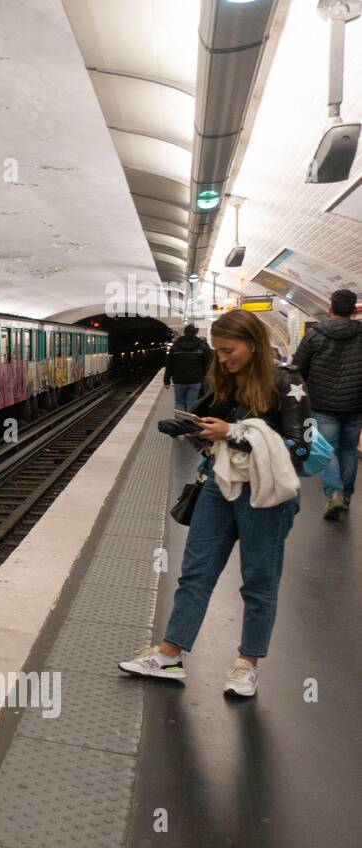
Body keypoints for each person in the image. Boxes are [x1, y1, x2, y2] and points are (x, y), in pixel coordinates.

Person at [120, 310, 312, 698]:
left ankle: (246, 664)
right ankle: (170, 653)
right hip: (219, 487)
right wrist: (189, 428)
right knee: (196, 571)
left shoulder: (286, 382)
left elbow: (299, 448)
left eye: (229, 350)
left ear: (253, 344)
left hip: (265, 495)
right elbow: (209, 422)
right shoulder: (225, 381)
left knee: (259, 581)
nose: (223, 359)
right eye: (219, 352)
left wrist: (233, 434)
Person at [292, 288, 362, 519]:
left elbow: (297, 367)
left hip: (322, 403)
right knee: (349, 449)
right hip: (355, 402)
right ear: (354, 310)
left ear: (330, 309)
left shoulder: (315, 334)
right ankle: (347, 494)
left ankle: (334, 492)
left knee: (326, 448)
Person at [163, 323, 211, 412]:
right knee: (192, 403)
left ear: (184, 333)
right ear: (196, 333)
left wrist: (166, 381)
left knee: (179, 402)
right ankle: (188, 424)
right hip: (195, 380)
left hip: (179, 380)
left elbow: (169, 364)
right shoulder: (201, 346)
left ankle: (178, 424)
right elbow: (209, 363)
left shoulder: (175, 346)